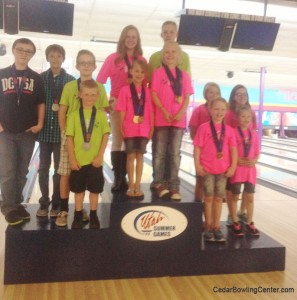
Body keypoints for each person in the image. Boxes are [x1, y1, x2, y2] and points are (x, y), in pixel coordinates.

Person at [57, 50, 109, 227]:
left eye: (89, 63)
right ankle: (64, 209)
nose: (86, 65)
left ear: (94, 66)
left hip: (91, 140)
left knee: (89, 180)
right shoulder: (70, 86)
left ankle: (86, 211)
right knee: (66, 173)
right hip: (72, 136)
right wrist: (65, 133)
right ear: (77, 66)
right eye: (82, 63)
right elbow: (62, 111)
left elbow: (101, 113)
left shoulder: (100, 88)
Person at [96, 25, 147, 193]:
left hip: (136, 106)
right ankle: (119, 178)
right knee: (119, 140)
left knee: (130, 143)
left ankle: (127, 177)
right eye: (128, 36)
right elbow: (100, 81)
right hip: (117, 102)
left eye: (134, 36)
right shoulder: (113, 58)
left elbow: (145, 86)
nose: (131, 39)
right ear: (123, 38)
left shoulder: (142, 60)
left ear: (138, 40)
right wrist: (105, 102)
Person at [0, 38, 45, 225]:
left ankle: (17, 203)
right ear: (13, 50)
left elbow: (40, 102)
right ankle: (8, 207)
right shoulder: (2, 74)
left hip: (27, 132)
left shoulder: (36, 78)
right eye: (21, 49)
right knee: (8, 171)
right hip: (6, 132)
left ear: (32, 54)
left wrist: (40, 124)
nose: (24, 53)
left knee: (21, 172)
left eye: (28, 51)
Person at [148, 20, 191, 190]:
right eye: (167, 52)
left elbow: (186, 95)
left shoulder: (184, 73)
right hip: (161, 117)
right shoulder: (157, 67)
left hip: (178, 119)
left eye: (174, 52)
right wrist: (163, 111)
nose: (170, 54)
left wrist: (181, 112)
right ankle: (158, 181)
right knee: (159, 152)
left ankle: (173, 182)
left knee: (174, 153)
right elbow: (153, 91)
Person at [36, 44, 75, 218]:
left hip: (61, 134)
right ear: (48, 58)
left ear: (63, 59)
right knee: (43, 169)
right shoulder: (41, 79)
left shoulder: (71, 81)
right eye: (52, 56)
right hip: (44, 133)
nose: (55, 59)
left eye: (59, 56)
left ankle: (57, 203)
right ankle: (44, 202)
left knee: (60, 171)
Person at [66, 79, 110, 229]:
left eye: (93, 95)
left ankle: (93, 214)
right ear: (80, 95)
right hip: (78, 161)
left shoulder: (100, 115)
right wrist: (72, 158)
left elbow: (105, 136)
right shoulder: (72, 115)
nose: (90, 97)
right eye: (87, 94)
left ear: (97, 96)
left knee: (94, 190)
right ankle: (78, 215)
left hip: (95, 161)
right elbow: (69, 138)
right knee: (78, 191)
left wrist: (99, 156)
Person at [193, 97, 237, 242]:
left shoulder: (229, 131)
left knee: (219, 198)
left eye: (223, 109)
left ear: (227, 111)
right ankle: (208, 227)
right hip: (207, 169)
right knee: (209, 198)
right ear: (210, 110)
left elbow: (233, 150)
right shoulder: (203, 128)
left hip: (223, 171)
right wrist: (198, 165)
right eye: (216, 109)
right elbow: (197, 148)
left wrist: (233, 166)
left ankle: (216, 227)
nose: (219, 112)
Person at [115, 59, 153, 198]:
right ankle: (131, 185)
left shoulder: (147, 92)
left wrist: (152, 128)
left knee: (140, 156)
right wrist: (121, 126)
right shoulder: (125, 90)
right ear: (131, 71)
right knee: (130, 156)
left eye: (142, 72)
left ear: (145, 74)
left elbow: (150, 112)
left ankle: (138, 184)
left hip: (143, 129)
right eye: (136, 71)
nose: (139, 74)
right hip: (130, 128)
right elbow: (122, 110)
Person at [225, 84, 257, 225]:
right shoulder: (227, 112)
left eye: (244, 94)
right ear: (233, 96)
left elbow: (253, 138)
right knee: (232, 190)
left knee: (247, 192)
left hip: (247, 163)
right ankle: (232, 215)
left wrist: (254, 158)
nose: (242, 97)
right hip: (232, 158)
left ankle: (242, 213)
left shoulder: (252, 113)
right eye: (238, 94)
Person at [229, 105, 260, 236]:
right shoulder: (233, 132)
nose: (246, 119)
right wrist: (236, 160)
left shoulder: (254, 134)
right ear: (237, 118)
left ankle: (249, 222)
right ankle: (235, 222)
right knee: (235, 196)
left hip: (250, 170)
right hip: (237, 169)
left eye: (248, 117)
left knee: (250, 197)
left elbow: (257, 152)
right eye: (243, 116)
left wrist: (255, 160)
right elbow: (230, 151)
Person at [189, 82, 221, 201]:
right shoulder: (199, 110)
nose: (214, 95)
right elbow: (193, 131)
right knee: (200, 181)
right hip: (202, 154)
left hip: (217, 156)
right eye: (211, 92)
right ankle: (197, 207)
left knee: (215, 187)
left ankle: (210, 212)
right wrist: (201, 148)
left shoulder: (221, 111)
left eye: (217, 92)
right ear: (205, 94)